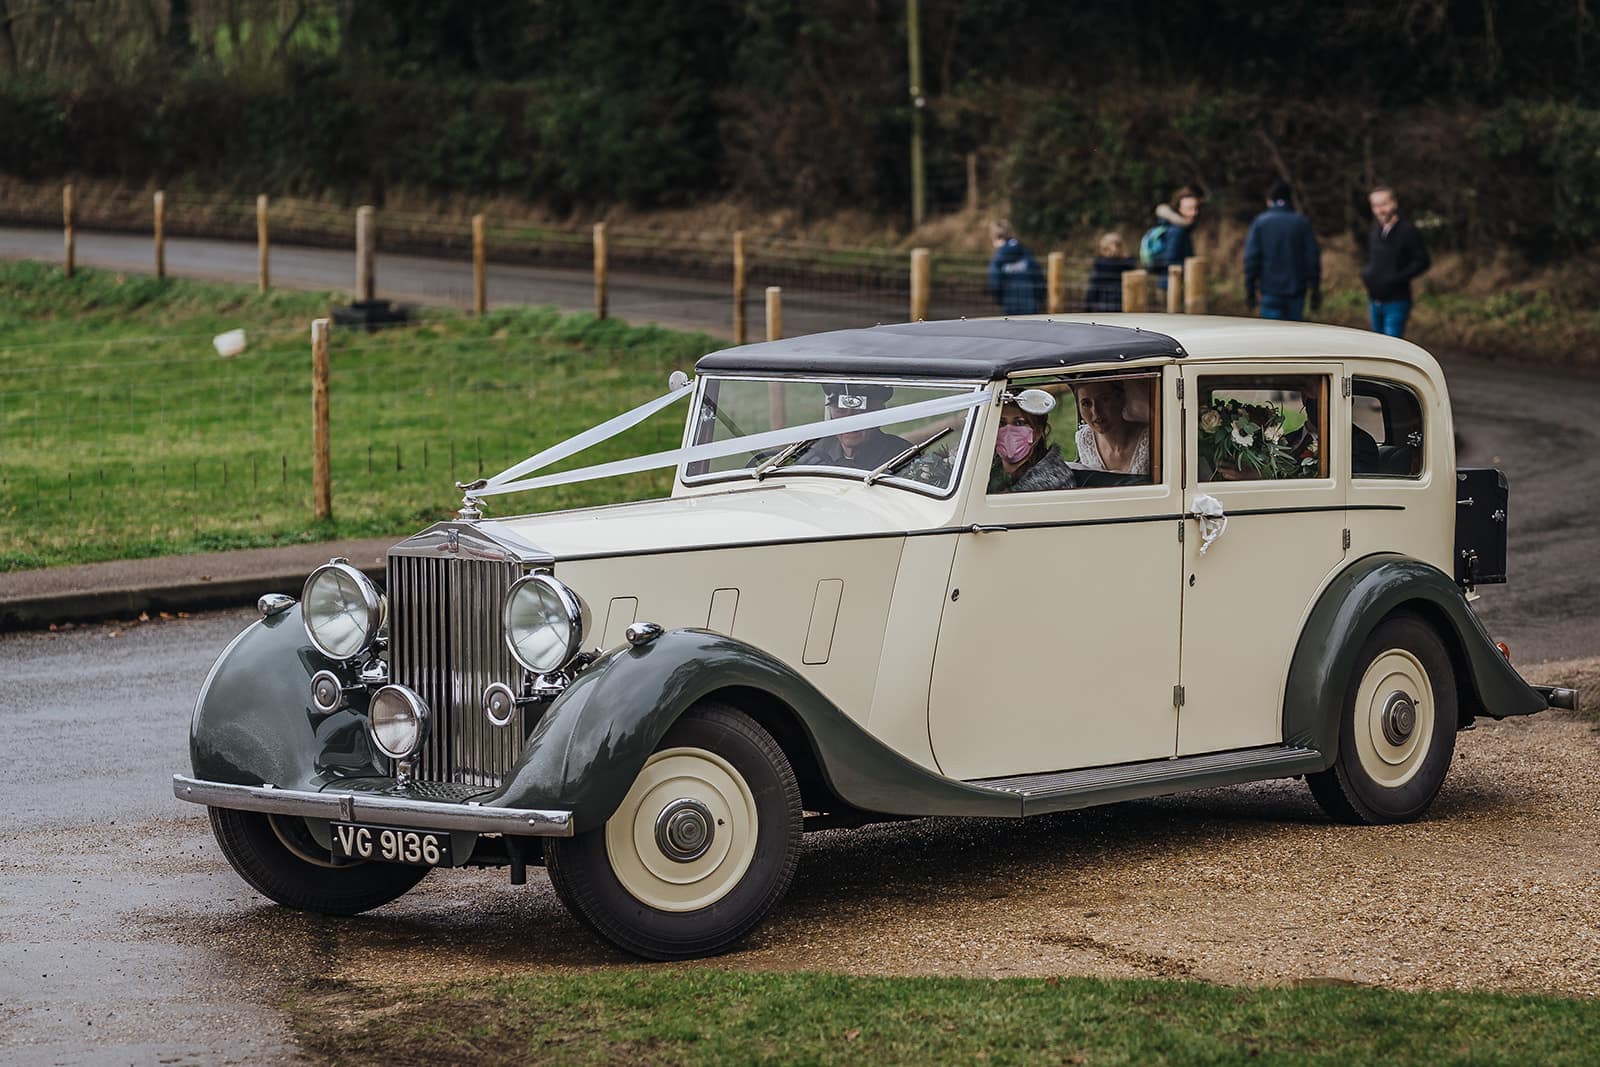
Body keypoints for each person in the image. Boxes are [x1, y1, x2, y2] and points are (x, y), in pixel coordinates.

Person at [1243, 179, 1321, 321]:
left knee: (1271, 339)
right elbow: (1312, 259)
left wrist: (1250, 290)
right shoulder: (1302, 223)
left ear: (1269, 201)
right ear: (1290, 200)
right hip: (1296, 293)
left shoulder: (1260, 223)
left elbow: (1251, 259)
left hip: (1269, 292)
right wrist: (1315, 290)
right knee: (1293, 339)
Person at [1362, 185, 1431, 338]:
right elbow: (1371, 260)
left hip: (1396, 301)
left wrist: (1396, 278)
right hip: (1374, 300)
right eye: (1375, 206)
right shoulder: (1374, 231)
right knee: (1376, 348)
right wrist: (1367, 274)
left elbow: (1423, 261)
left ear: (1394, 204)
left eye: (1383, 204)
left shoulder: (1408, 231)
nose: (1380, 210)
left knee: (1391, 349)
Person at [795, 383, 912, 471]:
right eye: (841, 411)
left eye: (859, 413)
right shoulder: (814, 452)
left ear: (879, 415)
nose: (849, 422)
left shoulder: (902, 458)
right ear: (831, 415)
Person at [989, 400, 1075, 492]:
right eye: (1001, 423)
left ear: (1037, 432)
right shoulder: (981, 475)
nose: (1008, 431)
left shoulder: (1057, 483)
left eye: (1019, 423)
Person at [1072, 378, 1150, 474]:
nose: (1095, 411)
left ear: (1121, 398)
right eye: (1086, 403)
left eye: (1104, 399)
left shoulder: (1149, 439)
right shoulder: (1084, 439)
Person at [1141, 186, 1201, 293]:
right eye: (1189, 208)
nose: (1194, 213)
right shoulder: (1177, 231)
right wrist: (1193, 267)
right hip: (1171, 286)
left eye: (1195, 208)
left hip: (1169, 283)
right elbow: (1171, 261)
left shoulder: (1180, 229)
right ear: (1178, 209)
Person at [986, 220, 1044, 316]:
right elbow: (1039, 280)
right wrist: (1039, 300)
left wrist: (1000, 301)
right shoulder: (1027, 254)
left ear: (994, 238)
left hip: (1010, 309)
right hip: (1032, 309)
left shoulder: (997, 261)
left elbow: (994, 285)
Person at [1084, 232, 1137, 312]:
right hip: (1126, 308)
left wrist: (1087, 309)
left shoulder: (1100, 266)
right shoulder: (1129, 265)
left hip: (1104, 309)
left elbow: (1092, 290)